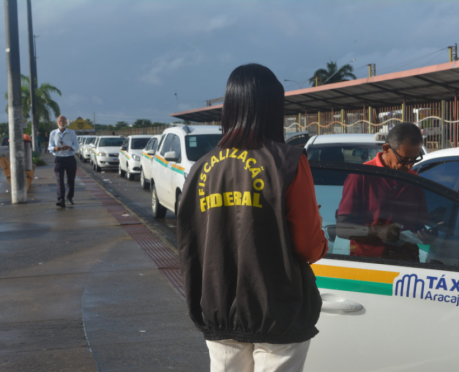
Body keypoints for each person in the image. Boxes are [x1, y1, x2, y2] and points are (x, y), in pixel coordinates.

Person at [177, 64, 328, 372]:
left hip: (218, 308)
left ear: (229, 108)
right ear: (274, 109)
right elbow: (309, 247)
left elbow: (190, 245)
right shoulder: (288, 162)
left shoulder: (201, 168)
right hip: (279, 311)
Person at [336, 123, 437, 261]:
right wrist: (376, 231)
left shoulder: (414, 179)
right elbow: (342, 229)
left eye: (414, 160)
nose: (409, 166)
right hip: (369, 265)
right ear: (386, 149)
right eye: (404, 160)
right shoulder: (360, 176)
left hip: (408, 264)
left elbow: (419, 224)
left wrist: (428, 235)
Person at [48, 116, 79, 208]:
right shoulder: (53, 133)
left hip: (70, 158)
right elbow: (50, 146)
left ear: (66, 122)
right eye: (60, 121)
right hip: (59, 159)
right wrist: (55, 148)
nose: (62, 122)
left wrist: (69, 147)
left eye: (63, 121)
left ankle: (69, 198)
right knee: (59, 180)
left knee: (71, 179)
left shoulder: (71, 133)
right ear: (57, 123)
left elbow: (76, 145)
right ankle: (61, 200)